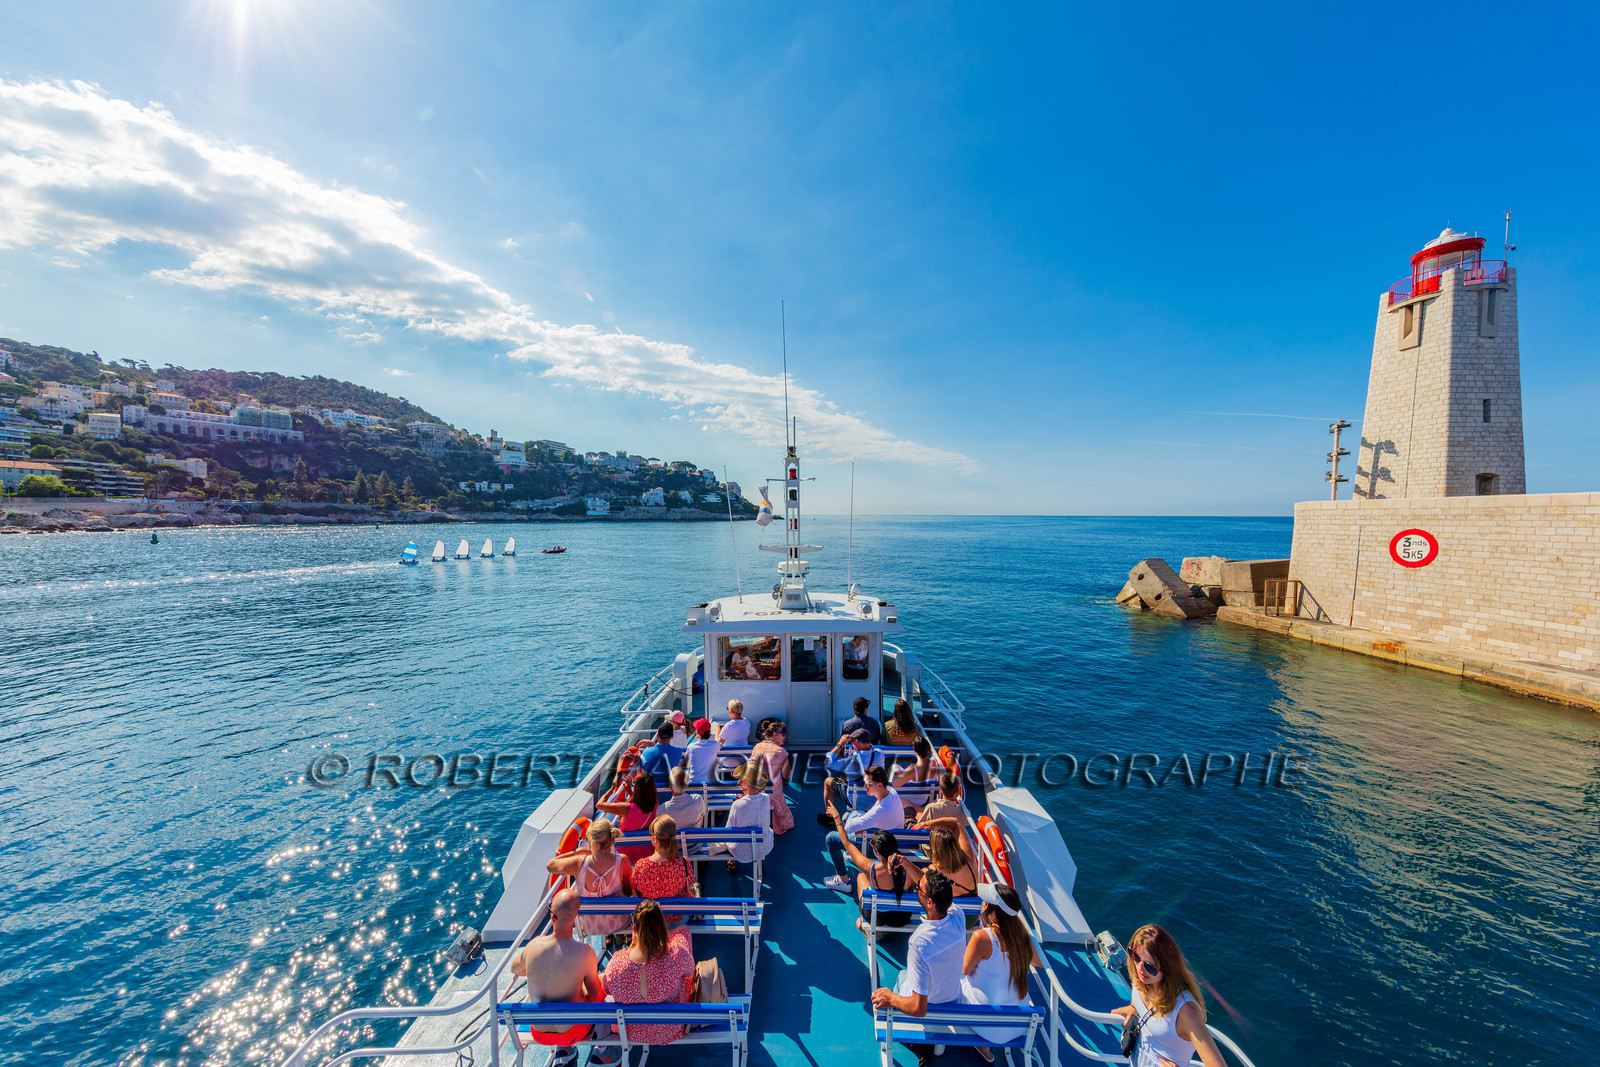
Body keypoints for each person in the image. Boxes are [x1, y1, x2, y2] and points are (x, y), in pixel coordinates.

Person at [870, 871, 965, 1067]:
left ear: (929, 903)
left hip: (927, 1009)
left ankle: (919, 1044)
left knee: (901, 978)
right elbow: (933, 887)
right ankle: (938, 1037)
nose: (915, 890)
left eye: (918, 889)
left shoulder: (920, 943)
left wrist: (891, 998)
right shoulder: (958, 916)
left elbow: (918, 1008)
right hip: (952, 1000)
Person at [509, 887, 606, 1061]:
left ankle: (565, 1051)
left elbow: (514, 968)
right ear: (576, 916)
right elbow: (594, 995)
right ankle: (604, 1045)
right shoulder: (585, 952)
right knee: (601, 983)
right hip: (571, 1033)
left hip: (538, 1033)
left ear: (553, 917)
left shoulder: (533, 946)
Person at [1111, 924, 1227, 1067]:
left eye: (1150, 966)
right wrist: (1133, 1007)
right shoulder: (1142, 977)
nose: (1140, 968)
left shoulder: (1185, 1011)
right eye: (1135, 956)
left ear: (1167, 967)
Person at [960, 883, 1043, 1059]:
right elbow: (1039, 963)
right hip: (1017, 1026)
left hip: (988, 1027)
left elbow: (966, 970)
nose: (983, 904)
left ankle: (982, 1046)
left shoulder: (982, 937)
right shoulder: (1021, 936)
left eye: (985, 902)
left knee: (956, 981)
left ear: (993, 911)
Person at [598, 900, 698, 1047]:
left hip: (629, 1032)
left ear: (634, 929)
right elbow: (690, 970)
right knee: (683, 932)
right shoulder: (676, 955)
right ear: (662, 928)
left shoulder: (617, 963)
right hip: (668, 1029)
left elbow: (607, 988)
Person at [545, 818, 633, 937]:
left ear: (595, 843)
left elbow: (550, 865)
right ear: (612, 839)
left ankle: (608, 938)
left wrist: (576, 852)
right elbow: (629, 891)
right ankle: (622, 937)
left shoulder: (579, 863)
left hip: (588, 926)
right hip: (618, 923)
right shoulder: (622, 860)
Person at [822, 765, 904, 891]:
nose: (865, 786)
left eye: (868, 784)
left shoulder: (879, 812)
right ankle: (853, 853)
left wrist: (839, 817)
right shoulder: (891, 792)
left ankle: (843, 880)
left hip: (879, 851)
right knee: (854, 815)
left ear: (879, 785)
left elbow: (848, 828)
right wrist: (862, 821)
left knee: (831, 837)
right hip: (892, 840)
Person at [833, 828, 918, 932]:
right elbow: (910, 890)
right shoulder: (908, 871)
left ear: (878, 854)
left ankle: (864, 925)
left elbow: (847, 844)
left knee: (861, 877)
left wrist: (838, 822)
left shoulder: (871, 869)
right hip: (901, 918)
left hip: (875, 917)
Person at [630, 815, 695, 927]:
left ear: (655, 840)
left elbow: (634, 889)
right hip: (678, 919)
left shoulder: (640, 866)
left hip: (651, 921)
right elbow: (689, 884)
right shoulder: (684, 863)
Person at [822, 728, 887, 821]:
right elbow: (872, 749)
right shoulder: (879, 754)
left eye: (852, 742)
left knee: (828, 781)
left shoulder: (851, 761)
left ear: (856, 742)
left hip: (856, 800)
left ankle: (829, 818)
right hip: (876, 798)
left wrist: (840, 745)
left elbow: (828, 762)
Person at [596, 771, 659, 862]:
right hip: (647, 851)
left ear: (637, 789)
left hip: (626, 854)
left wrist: (611, 789)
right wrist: (629, 791)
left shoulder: (626, 808)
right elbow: (642, 803)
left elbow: (599, 805)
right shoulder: (655, 804)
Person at [899, 826, 977, 897]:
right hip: (972, 903)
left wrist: (904, 861)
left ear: (935, 850)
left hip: (946, 905)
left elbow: (920, 882)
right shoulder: (969, 860)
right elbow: (956, 824)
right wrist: (932, 823)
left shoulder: (933, 872)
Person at [725, 761, 775, 872]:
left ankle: (732, 860)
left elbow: (729, 831)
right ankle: (758, 858)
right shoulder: (766, 798)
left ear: (747, 782)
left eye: (741, 779)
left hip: (740, 851)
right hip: (762, 847)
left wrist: (738, 804)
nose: (739, 782)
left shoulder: (737, 805)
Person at [749, 719, 794, 834]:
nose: (784, 737)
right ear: (775, 735)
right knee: (788, 819)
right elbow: (787, 776)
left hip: (755, 792)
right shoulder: (781, 752)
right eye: (783, 734)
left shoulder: (757, 747)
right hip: (772, 796)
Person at [638, 722, 684, 791]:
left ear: (657, 736)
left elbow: (643, 766)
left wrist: (653, 745)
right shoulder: (678, 751)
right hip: (670, 792)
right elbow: (663, 753)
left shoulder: (646, 752)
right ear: (672, 737)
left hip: (650, 792)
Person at [684, 718, 722, 785]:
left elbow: (687, 763)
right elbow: (719, 742)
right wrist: (718, 729)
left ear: (697, 732)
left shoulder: (691, 747)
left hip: (695, 786)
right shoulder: (715, 745)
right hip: (711, 786)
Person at [716, 699, 751, 773]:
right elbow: (747, 734)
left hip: (729, 761)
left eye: (727, 708)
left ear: (731, 711)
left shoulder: (729, 725)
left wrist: (717, 730)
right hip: (743, 759)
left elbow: (718, 744)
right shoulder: (747, 722)